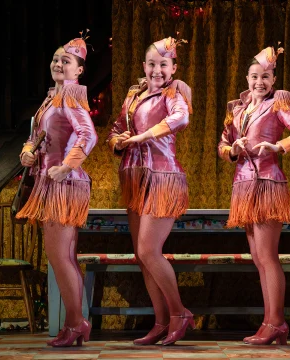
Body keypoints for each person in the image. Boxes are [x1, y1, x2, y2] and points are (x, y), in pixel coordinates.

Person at [218, 45, 290, 345]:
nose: (259, 82)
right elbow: (223, 143)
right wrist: (231, 150)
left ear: (273, 80)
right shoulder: (237, 108)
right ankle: (271, 322)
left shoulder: (278, 104)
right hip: (243, 185)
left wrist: (279, 146)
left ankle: (276, 322)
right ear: (246, 78)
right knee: (258, 258)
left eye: (266, 77)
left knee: (268, 256)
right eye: (254, 76)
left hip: (268, 182)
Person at [107, 35, 194, 346]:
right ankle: (160, 322)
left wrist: (141, 136)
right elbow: (117, 128)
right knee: (141, 256)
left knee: (148, 250)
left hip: (162, 176)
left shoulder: (174, 93)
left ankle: (179, 313)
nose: (157, 70)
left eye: (164, 65)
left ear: (173, 68)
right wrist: (118, 140)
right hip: (134, 179)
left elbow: (180, 117)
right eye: (152, 64)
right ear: (144, 66)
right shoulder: (133, 95)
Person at [16, 31, 98, 347]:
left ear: (78, 70)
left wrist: (66, 165)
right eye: (55, 59)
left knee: (60, 256)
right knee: (62, 257)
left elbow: (87, 135)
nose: (58, 63)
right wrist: (28, 150)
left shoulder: (72, 96)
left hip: (66, 184)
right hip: (51, 183)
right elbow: (36, 134)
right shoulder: (53, 97)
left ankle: (77, 323)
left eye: (66, 60)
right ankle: (74, 323)